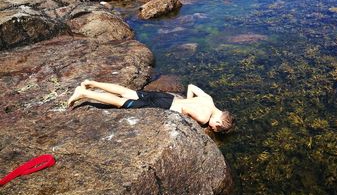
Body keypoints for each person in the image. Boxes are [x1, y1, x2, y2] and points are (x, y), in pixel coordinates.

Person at [67, 80, 234, 133]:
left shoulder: (209, 99)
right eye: (215, 128)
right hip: (164, 105)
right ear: (218, 123)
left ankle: (90, 83)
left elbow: (190, 86)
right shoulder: (205, 117)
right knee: (122, 103)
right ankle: (84, 94)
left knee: (128, 92)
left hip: (166, 97)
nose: (212, 129)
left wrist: (186, 101)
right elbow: (184, 113)